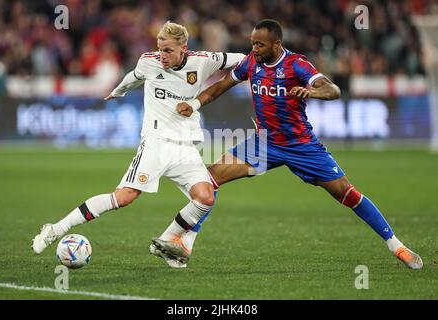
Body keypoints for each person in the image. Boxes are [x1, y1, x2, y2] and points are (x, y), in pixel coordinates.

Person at [157, 19, 423, 270]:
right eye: (252, 43)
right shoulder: (251, 63)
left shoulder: (297, 65)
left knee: (346, 192)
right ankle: (186, 242)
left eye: (259, 44)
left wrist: (313, 91)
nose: (254, 49)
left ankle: (396, 246)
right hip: (265, 143)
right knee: (209, 180)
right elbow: (220, 87)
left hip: (301, 145)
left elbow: (333, 90)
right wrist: (195, 104)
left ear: (276, 45)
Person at [31, 21, 245, 268]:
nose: (162, 55)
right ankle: (56, 229)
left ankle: (168, 240)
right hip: (156, 142)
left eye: (168, 51)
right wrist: (118, 91)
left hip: (186, 146)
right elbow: (133, 77)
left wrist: (269, 62)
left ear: (184, 48)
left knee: (205, 197)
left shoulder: (204, 60)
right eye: (159, 48)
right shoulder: (149, 61)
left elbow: (242, 59)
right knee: (124, 197)